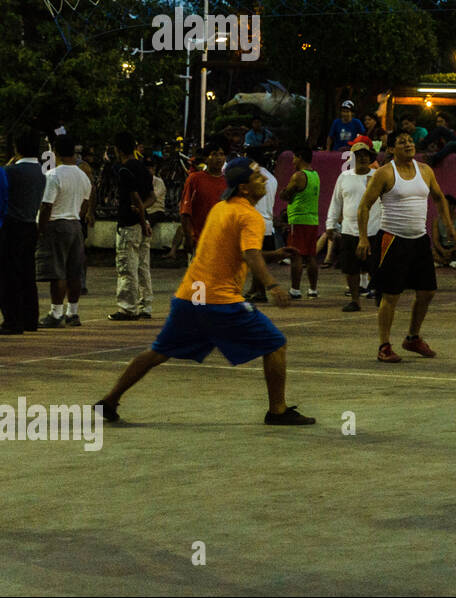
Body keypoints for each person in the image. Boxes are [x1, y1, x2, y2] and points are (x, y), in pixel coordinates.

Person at [93, 158, 315, 427]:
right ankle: (277, 410)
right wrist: (272, 285)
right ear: (244, 188)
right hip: (220, 301)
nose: (265, 180)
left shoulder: (222, 208)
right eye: (258, 177)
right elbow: (250, 255)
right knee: (276, 344)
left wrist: (274, 254)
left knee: (158, 352)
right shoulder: (249, 216)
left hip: (191, 296)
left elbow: (241, 253)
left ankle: (108, 401)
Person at [356, 131, 454, 363]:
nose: (408, 144)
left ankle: (412, 337)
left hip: (419, 240)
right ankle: (384, 345)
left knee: (427, 291)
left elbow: (439, 198)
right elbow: (364, 206)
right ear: (391, 149)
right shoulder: (384, 173)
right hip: (393, 239)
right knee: (390, 296)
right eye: (402, 142)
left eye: (410, 141)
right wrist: (362, 238)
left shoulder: (426, 171)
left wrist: (447, 224)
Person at [35, 135, 93, 328]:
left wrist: (40, 229)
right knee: (74, 272)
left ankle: (56, 312)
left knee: (58, 272)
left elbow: (46, 205)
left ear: (56, 153)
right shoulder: (83, 175)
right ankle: (73, 312)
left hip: (57, 224)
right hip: (75, 223)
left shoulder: (54, 175)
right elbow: (85, 204)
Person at [324, 140, 385, 311]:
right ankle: (355, 300)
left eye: (366, 155)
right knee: (351, 269)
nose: (363, 158)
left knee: (376, 267)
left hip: (374, 229)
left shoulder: (377, 176)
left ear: (370, 157)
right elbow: (336, 202)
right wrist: (331, 224)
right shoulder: (344, 177)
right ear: (352, 158)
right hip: (349, 230)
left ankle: (381, 298)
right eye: (359, 156)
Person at [0, 132, 44, 335]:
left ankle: (12, 320)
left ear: (17, 149)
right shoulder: (41, 173)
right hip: (30, 224)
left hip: (12, 225)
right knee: (27, 274)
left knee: (9, 274)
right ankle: (30, 318)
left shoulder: (10, 171)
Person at [110, 132, 154, 321]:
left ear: (117, 150)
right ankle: (146, 304)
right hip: (144, 222)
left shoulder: (124, 170)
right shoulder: (143, 168)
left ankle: (128, 307)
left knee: (127, 266)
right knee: (143, 266)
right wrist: (144, 214)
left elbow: (134, 196)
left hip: (130, 224)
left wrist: (140, 215)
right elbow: (152, 196)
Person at [280, 148, 321, 299]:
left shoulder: (298, 176)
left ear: (300, 157)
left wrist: (286, 193)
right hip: (312, 219)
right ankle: (313, 289)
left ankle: (295, 289)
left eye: (294, 158)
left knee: (296, 255)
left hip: (298, 220)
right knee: (311, 256)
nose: (292, 161)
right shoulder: (315, 175)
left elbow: (285, 194)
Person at [179, 142, 228, 259]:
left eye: (222, 154)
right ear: (206, 158)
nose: (219, 158)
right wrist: (188, 237)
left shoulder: (229, 182)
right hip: (200, 242)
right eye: (215, 154)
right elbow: (185, 212)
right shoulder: (194, 179)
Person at [245, 156, 282, 303]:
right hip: (267, 223)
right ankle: (256, 290)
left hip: (255, 222)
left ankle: (260, 291)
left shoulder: (252, 178)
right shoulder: (272, 179)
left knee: (255, 259)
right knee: (259, 259)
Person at [432, 195, 456, 268]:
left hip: (455, 249)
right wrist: (443, 251)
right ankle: (450, 262)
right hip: (442, 249)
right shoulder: (436, 221)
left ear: (452, 206)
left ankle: (443, 262)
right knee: (430, 251)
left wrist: (451, 251)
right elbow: (435, 241)